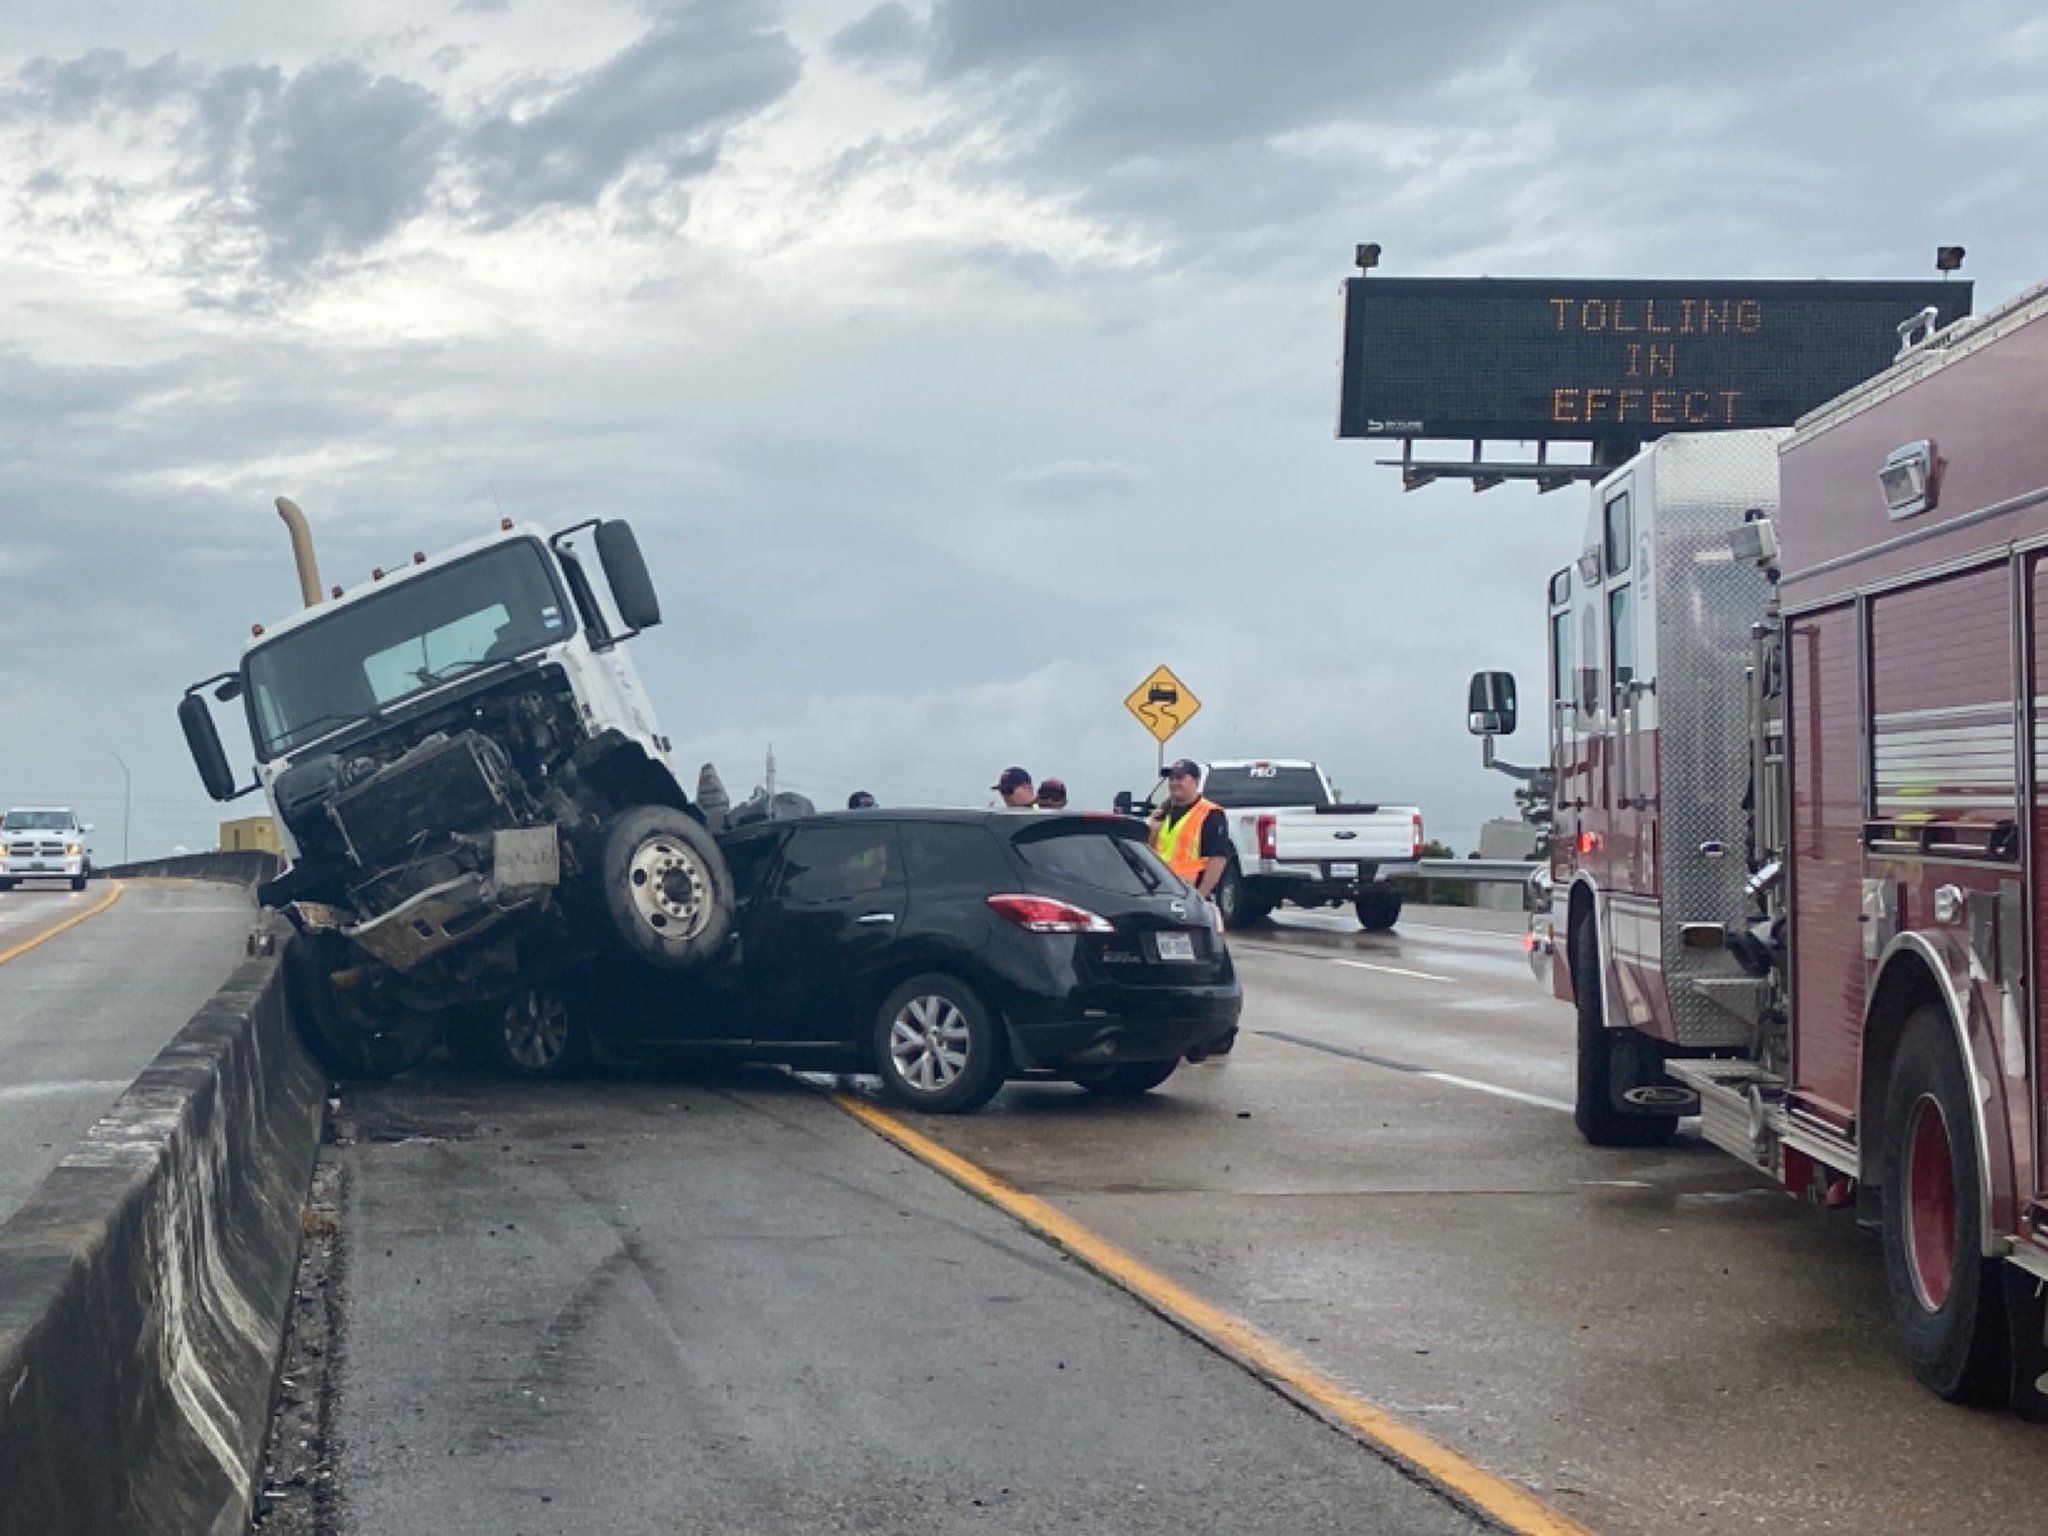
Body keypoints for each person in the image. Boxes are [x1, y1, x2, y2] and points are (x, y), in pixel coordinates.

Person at [1151, 758, 1231, 899]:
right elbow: (1151, 853)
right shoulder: (1164, 813)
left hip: (1189, 892)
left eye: (1180, 778)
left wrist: (1201, 896)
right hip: (1161, 891)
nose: (1174, 783)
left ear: (1196, 781)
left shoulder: (1211, 813)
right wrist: (1153, 831)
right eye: (1171, 779)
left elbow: (1218, 859)